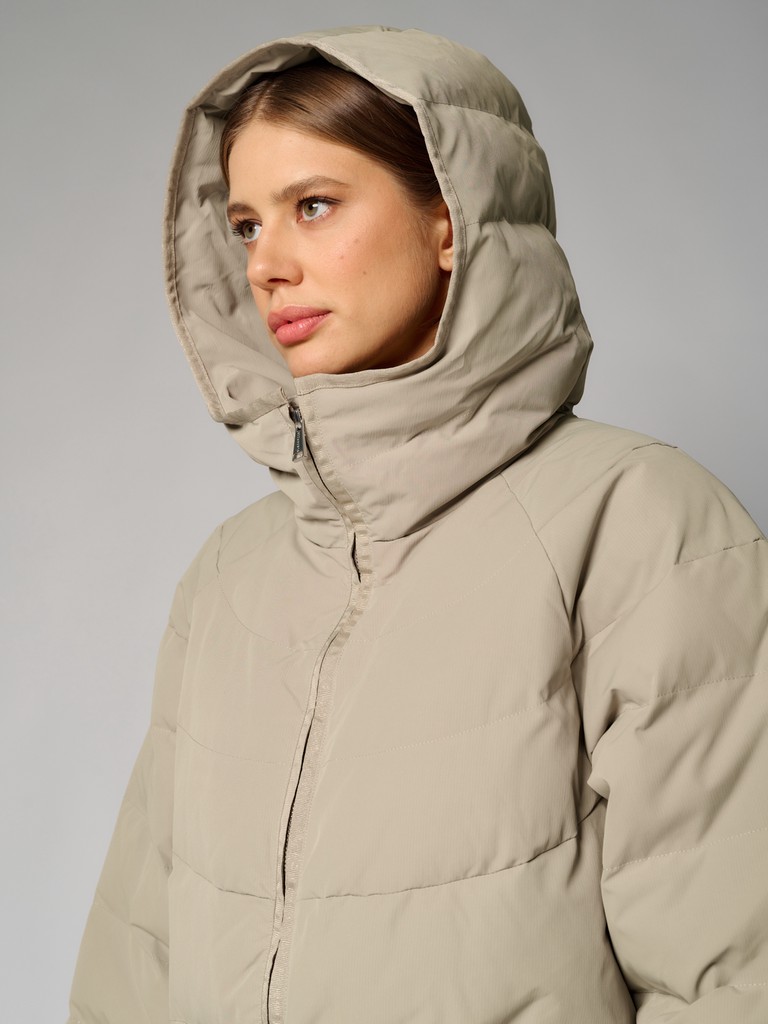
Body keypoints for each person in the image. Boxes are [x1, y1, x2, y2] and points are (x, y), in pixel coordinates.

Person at [68, 26, 768, 1024]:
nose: (266, 266)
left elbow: (735, 975)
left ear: (453, 218)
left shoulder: (641, 526)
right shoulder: (229, 575)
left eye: (314, 206)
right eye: (247, 226)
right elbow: (135, 963)